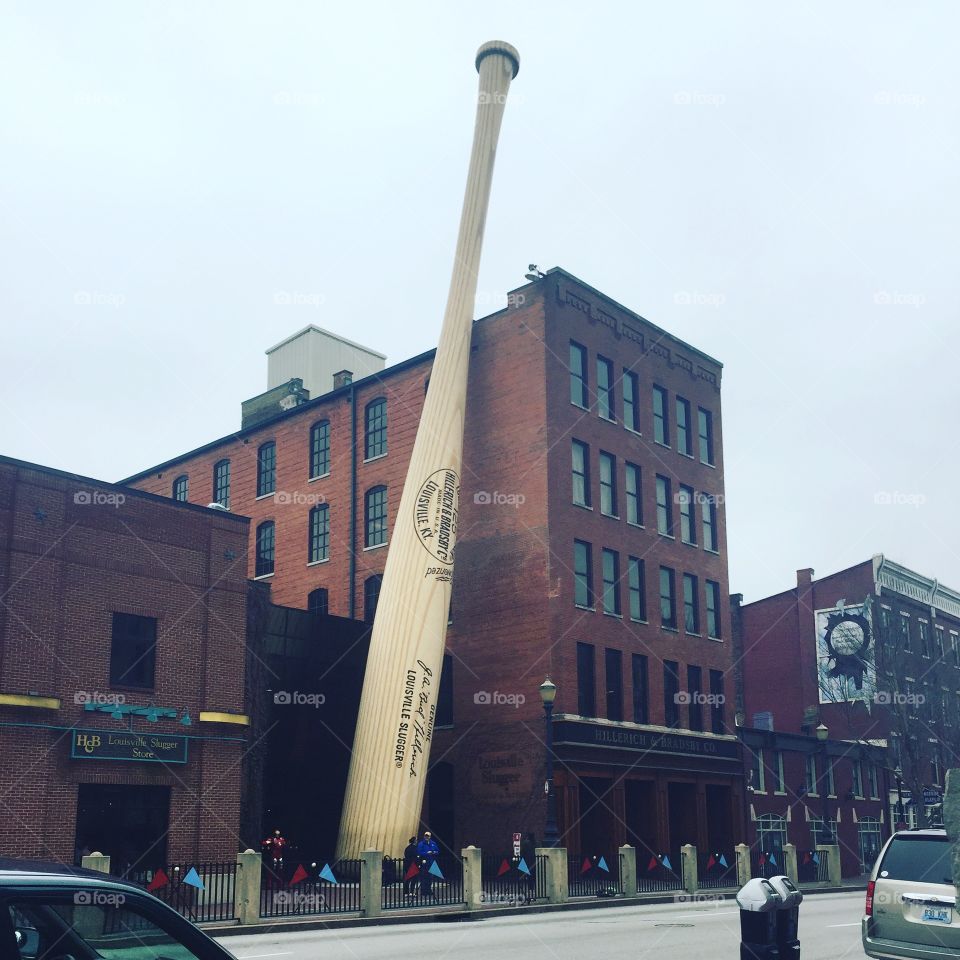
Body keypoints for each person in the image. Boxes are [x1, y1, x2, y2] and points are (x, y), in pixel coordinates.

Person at [416, 830, 440, 897]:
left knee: (430, 877)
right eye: (425, 836)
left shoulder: (433, 843)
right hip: (424, 862)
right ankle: (423, 891)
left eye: (428, 836)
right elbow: (419, 852)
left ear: (430, 837)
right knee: (424, 876)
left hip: (431, 862)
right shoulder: (421, 844)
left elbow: (437, 851)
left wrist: (434, 852)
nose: (426, 837)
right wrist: (426, 853)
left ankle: (428, 890)